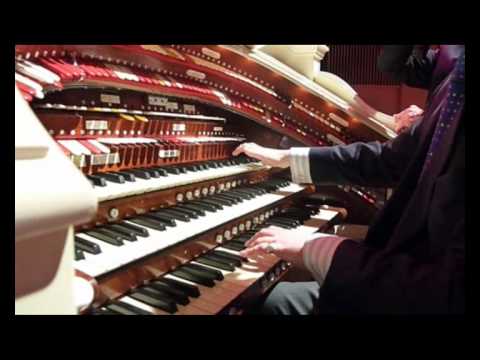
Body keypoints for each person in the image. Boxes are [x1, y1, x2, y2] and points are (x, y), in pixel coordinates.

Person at [233, 45, 464, 314]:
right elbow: (393, 159)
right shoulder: (456, 74)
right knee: (276, 299)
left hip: (420, 289)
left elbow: (451, 295)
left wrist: (320, 250)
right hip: (407, 260)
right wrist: (288, 158)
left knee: (268, 304)